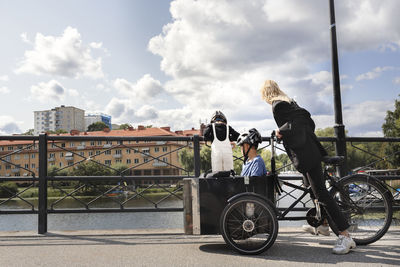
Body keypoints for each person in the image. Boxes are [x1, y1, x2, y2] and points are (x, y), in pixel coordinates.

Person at [260, 80, 356, 255]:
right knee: (310, 188)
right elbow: (307, 121)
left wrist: (279, 132)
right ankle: (322, 225)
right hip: (310, 149)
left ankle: (345, 235)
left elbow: (296, 125)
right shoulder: (289, 101)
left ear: (265, 94)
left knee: (321, 193)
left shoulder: (277, 105)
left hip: (307, 153)